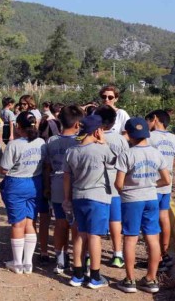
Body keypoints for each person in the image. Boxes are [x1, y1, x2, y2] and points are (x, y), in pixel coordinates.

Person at [114, 118, 171, 294]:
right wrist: (153, 185)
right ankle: (151, 279)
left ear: (129, 134)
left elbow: (118, 184)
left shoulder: (127, 155)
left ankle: (130, 280)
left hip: (132, 200)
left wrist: (129, 189)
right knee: (152, 238)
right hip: (151, 198)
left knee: (131, 238)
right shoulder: (156, 153)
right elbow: (167, 180)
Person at [63, 115, 116, 289]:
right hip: (98, 198)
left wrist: (67, 199)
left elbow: (66, 177)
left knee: (79, 235)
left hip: (78, 196)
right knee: (95, 237)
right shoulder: (101, 150)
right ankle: (94, 276)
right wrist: (104, 143)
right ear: (97, 131)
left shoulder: (71, 151)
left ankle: (77, 274)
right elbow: (115, 160)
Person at [0, 111, 47, 275]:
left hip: (16, 184)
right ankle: (28, 263)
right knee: (30, 221)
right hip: (35, 183)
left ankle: (17, 263)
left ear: (18, 127)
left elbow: (4, 169)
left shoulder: (14, 145)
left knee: (17, 223)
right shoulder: (41, 142)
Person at [44, 105, 83, 274]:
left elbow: (47, 167)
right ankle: (79, 260)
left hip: (57, 183)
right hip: (76, 185)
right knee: (76, 225)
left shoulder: (51, 141)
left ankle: (61, 259)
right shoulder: (80, 141)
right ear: (77, 124)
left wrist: (47, 186)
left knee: (60, 223)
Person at [146, 109, 175, 272]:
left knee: (151, 222)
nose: (147, 124)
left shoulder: (150, 137)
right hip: (168, 183)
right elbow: (174, 161)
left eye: (148, 120)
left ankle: (156, 257)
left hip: (153, 184)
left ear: (155, 119)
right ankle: (164, 252)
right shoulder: (173, 138)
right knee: (164, 217)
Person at [95, 105, 128, 268]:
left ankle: (90, 255)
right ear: (114, 121)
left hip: (98, 186)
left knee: (97, 222)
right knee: (116, 220)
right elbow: (126, 162)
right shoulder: (121, 139)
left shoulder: (93, 137)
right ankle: (117, 255)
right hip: (115, 185)